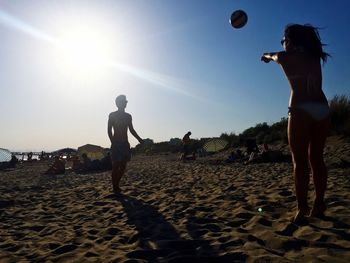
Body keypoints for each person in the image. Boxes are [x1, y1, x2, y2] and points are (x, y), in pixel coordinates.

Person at [261, 24, 330, 223]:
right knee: (317, 158)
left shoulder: (285, 57)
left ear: (290, 42)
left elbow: (271, 55)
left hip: (300, 109)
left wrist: (266, 55)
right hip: (322, 108)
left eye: (284, 41)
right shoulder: (314, 56)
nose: (283, 45)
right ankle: (319, 203)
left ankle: (302, 208)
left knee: (299, 162)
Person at [108, 95, 143, 193]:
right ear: (118, 103)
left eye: (126, 101)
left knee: (123, 167)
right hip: (116, 143)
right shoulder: (112, 115)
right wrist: (113, 142)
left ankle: (117, 184)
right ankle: (115, 187)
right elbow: (109, 130)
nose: (126, 103)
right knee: (115, 166)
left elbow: (131, 130)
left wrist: (139, 139)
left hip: (125, 144)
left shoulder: (128, 116)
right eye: (124, 101)